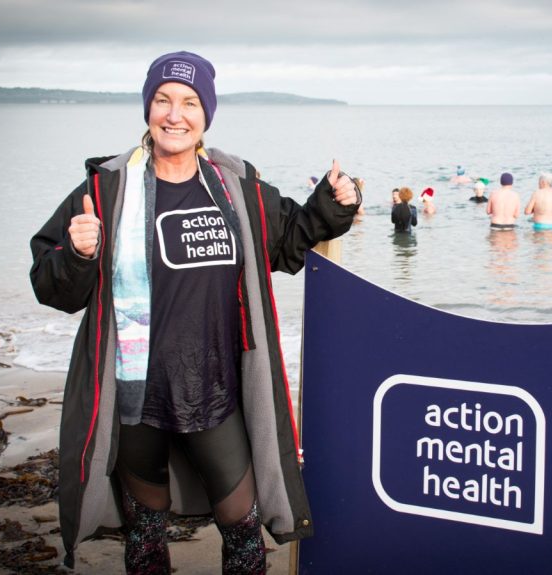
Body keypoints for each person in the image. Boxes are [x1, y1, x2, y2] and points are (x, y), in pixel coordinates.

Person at [29, 51, 361, 574]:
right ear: (147, 108)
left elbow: (288, 241)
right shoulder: (105, 189)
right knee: (145, 531)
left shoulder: (235, 186)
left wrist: (336, 201)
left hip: (215, 390)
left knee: (242, 526)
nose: (174, 115)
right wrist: (77, 253)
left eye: (189, 103)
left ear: (206, 114)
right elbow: (51, 286)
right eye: (163, 100)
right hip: (136, 396)